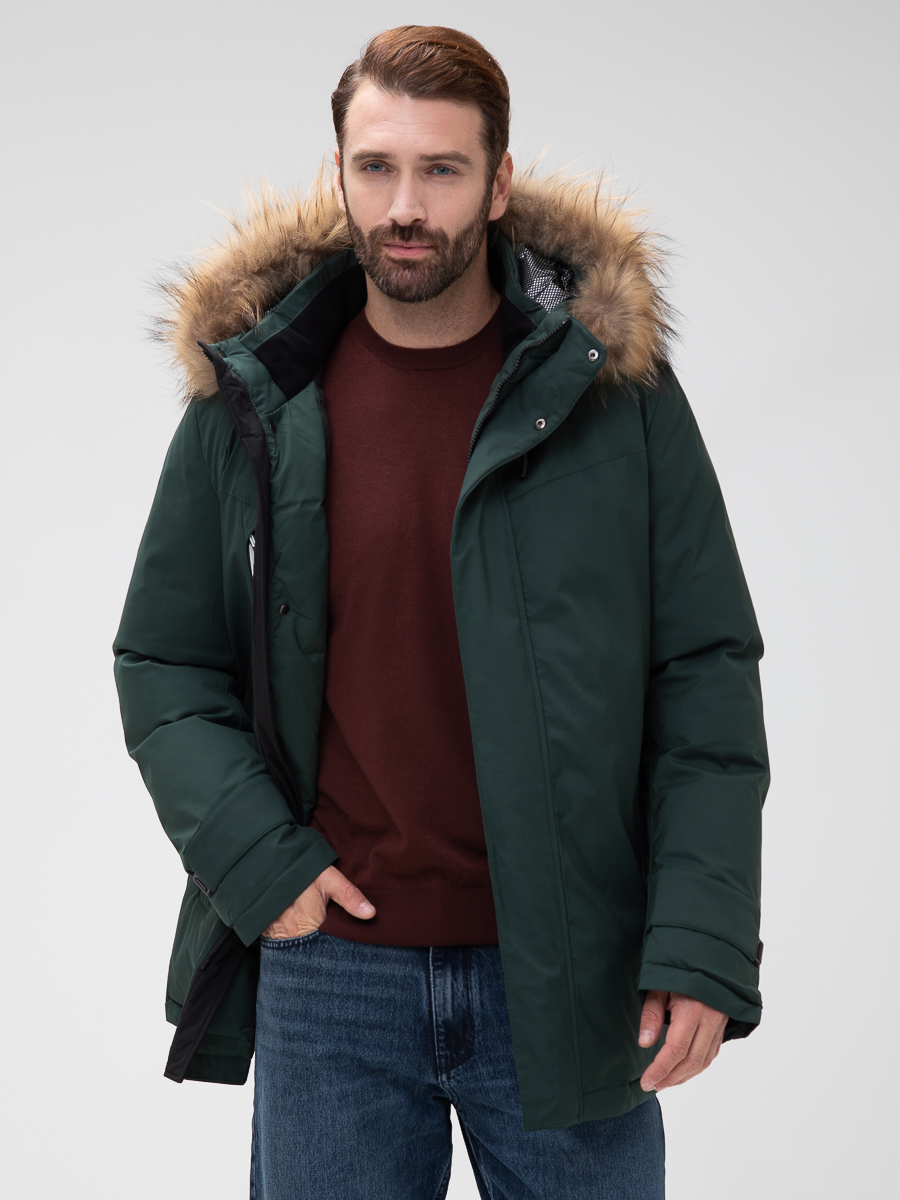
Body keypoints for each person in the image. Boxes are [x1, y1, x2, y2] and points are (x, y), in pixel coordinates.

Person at [113, 24, 768, 1200]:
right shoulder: (258, 396)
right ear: (339, 174)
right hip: (334, 978)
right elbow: (164, 661)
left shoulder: (612, 396)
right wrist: (263, 865)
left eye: (442, 170)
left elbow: (703, 670)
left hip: (570, 972)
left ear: (498, 182)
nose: (405, 206)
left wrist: (698, 940)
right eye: (377, 167)